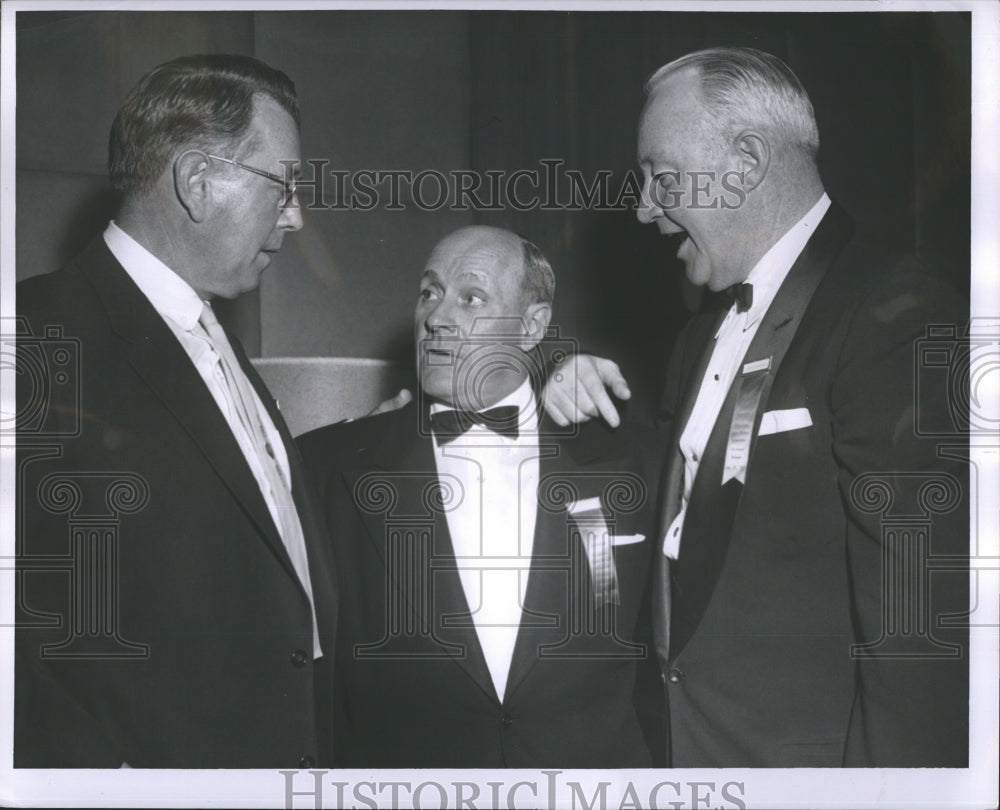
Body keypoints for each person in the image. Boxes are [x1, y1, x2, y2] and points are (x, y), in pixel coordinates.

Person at [544, 47, 969, 767]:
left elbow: (921, 631)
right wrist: (556, 379)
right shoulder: (697, 340)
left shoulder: (898, 311)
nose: (645, 207)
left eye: (661, 176)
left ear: (743, 163)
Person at [15, 54, 337, 768]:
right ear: (196, 181)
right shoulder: (32, 336)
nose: (296, 215)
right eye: (283, 186)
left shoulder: (211, 334)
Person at [298, 225, 664, 767]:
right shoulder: (326, 466)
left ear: (533, 325)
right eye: (429, 292)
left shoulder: (631, 457)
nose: (437, 317)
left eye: (471, 298)